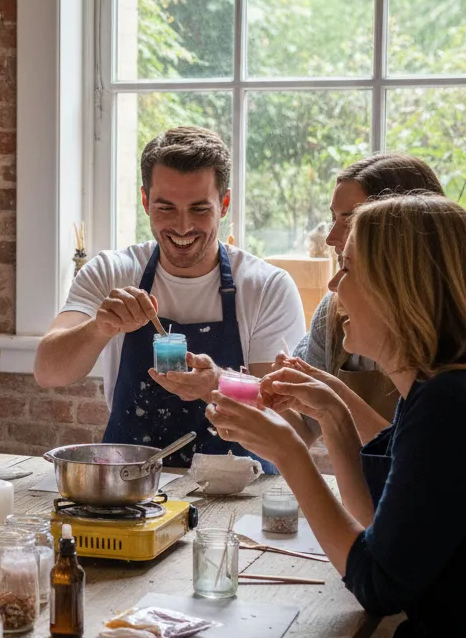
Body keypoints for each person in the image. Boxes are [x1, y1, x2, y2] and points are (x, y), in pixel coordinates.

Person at [207, 194, 466, 638]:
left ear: (398, 287)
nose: (334, 286)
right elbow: (389, 537)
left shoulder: (448, 407)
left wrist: (291, 454)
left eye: (349, 267)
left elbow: (378, 585)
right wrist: (334, 425)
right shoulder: (438, 393)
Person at [34, 126, 305, 471]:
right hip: (133, 487)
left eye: (198, 209)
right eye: (165, 207)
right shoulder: (111, 271)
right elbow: (48, 372)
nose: (181, 226)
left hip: (240, 490)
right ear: (145, 201)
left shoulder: (266, 287)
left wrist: (218, 384)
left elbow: (293, 424)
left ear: (224, 205)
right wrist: (99, 328)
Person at [289, 153, 443, 439]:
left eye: (350, 221)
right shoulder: (335, 310)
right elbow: (305, 425)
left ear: (403, 231)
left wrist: (335, 398)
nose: (332, 237)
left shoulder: (451, 344)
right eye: (333, 218)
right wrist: (224, 384)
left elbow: (417, 461)